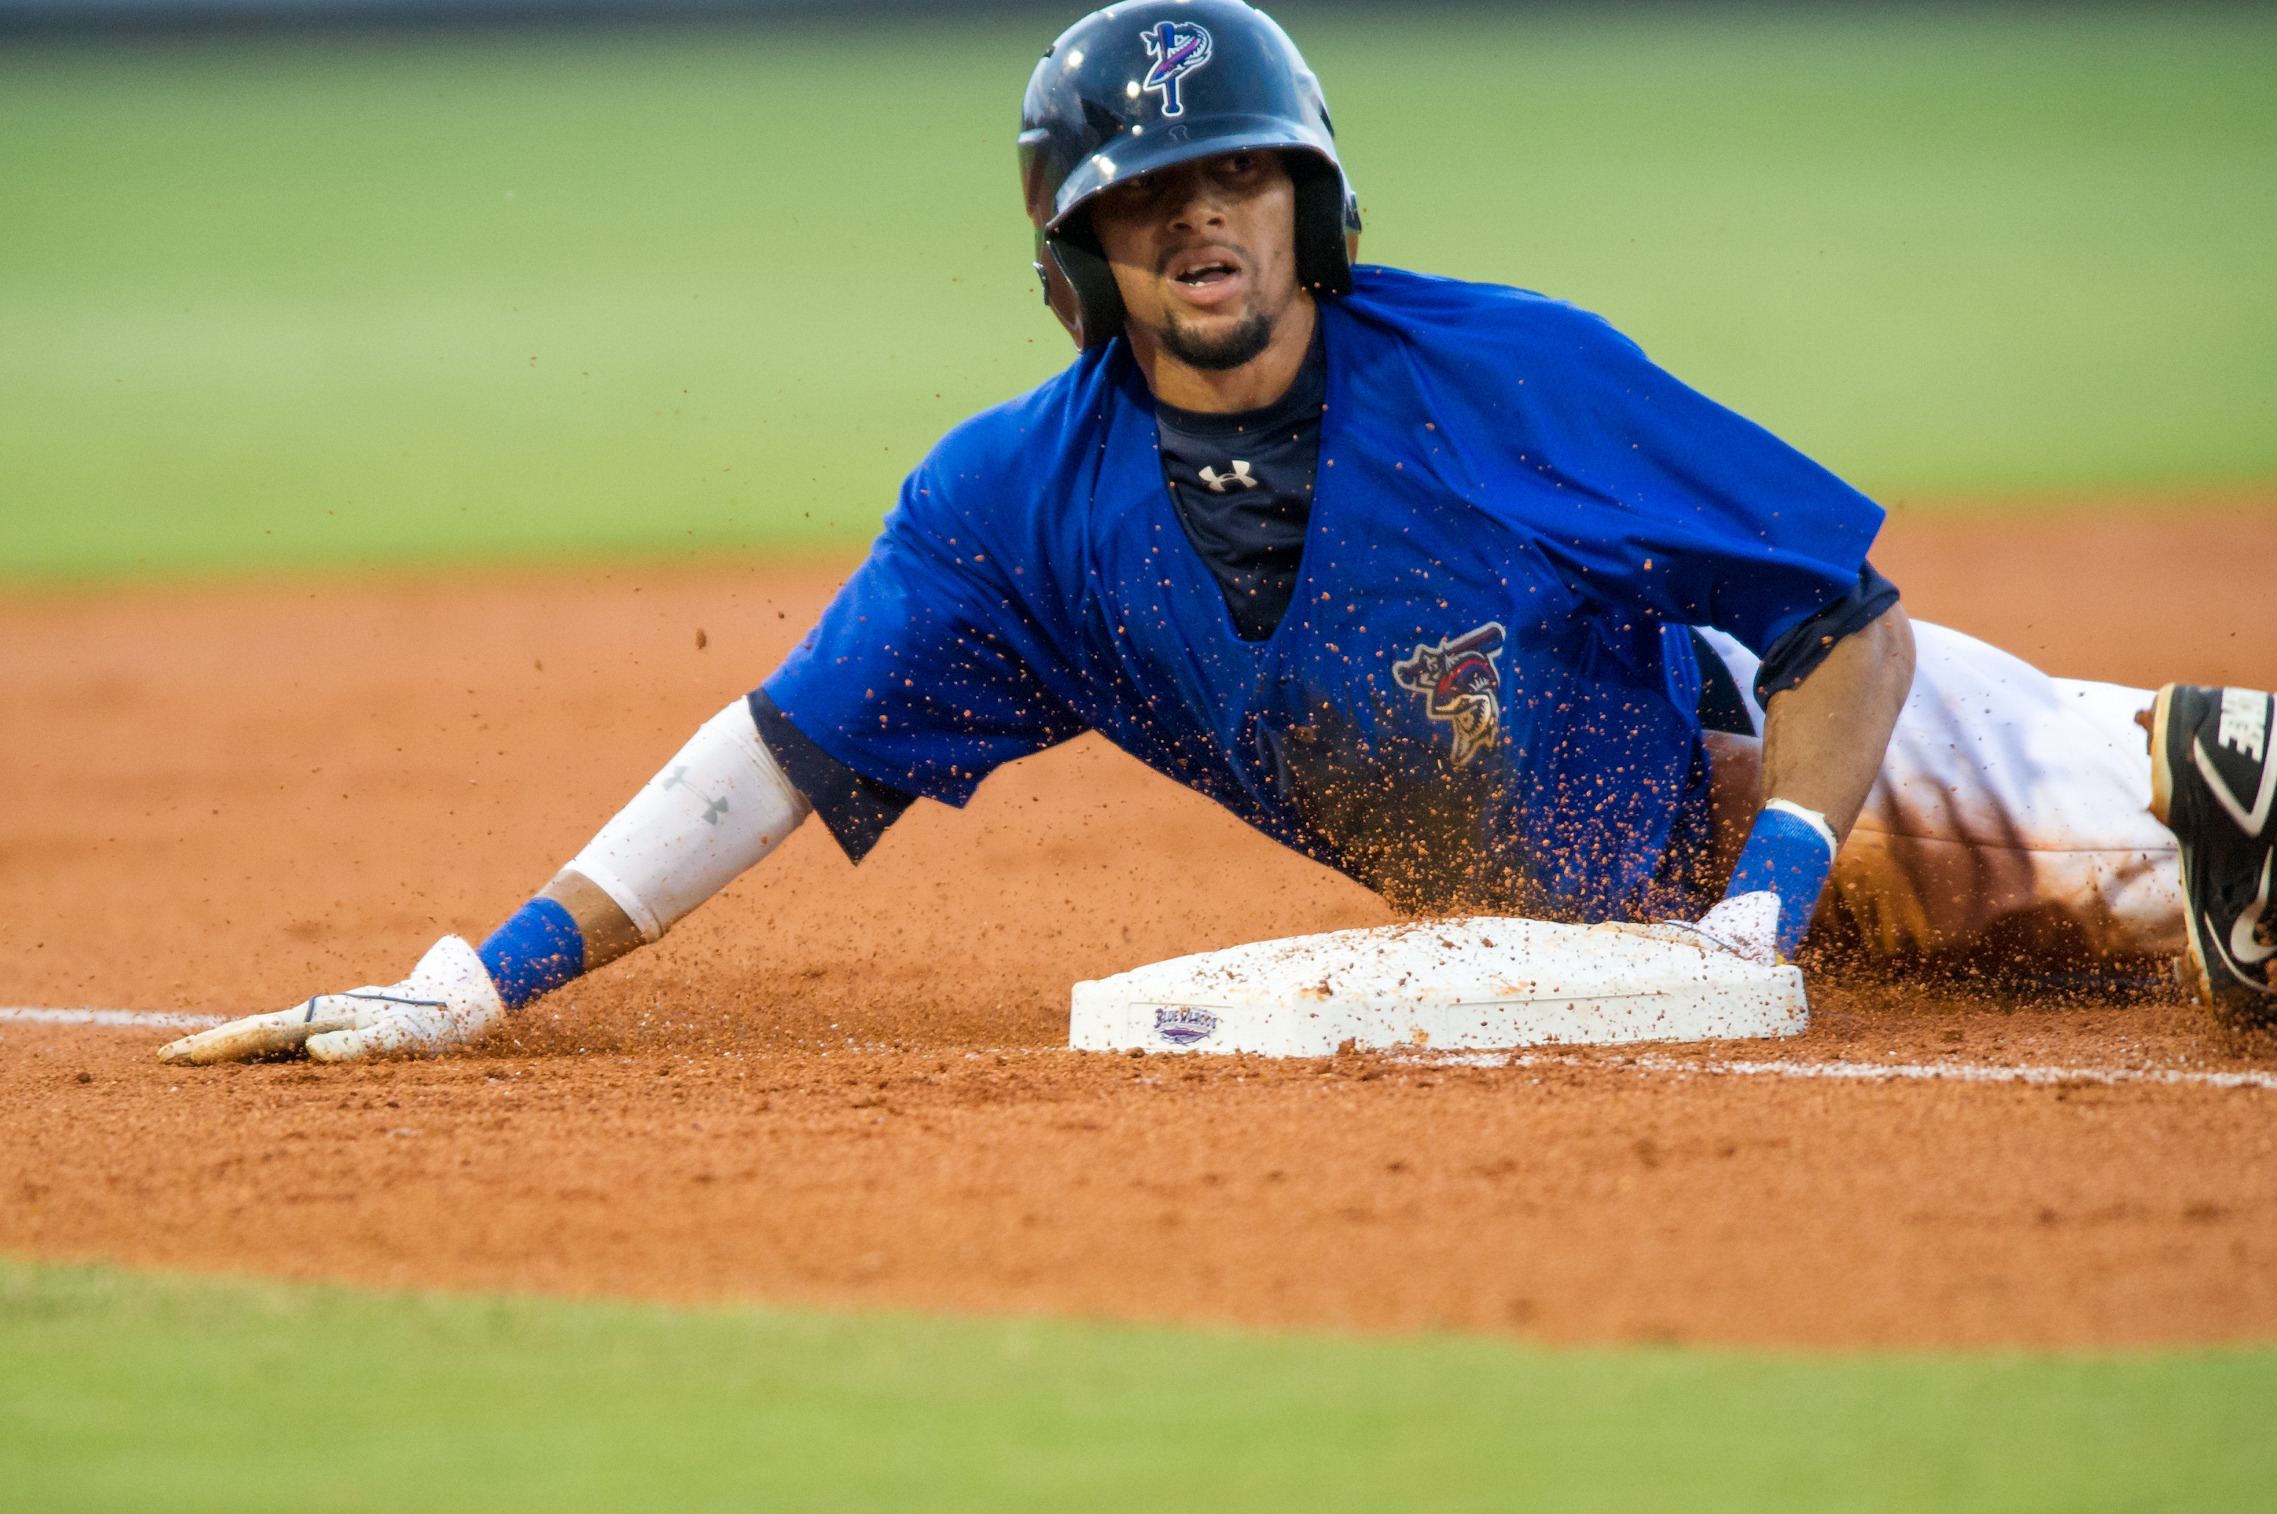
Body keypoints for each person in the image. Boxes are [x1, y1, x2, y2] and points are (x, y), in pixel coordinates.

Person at [160, 0, 2273, 1067]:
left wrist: (1765, 908)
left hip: (1780, 786)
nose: (1195, 219)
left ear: (1306, 200)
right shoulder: (1011, 513)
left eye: (1234, 178)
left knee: (2204, 822)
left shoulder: (1509, 373)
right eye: (1140, 200)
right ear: (1078, 250)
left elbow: (1841, 623)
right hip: (1635, 911)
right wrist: (476, 980)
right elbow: (781, 752)